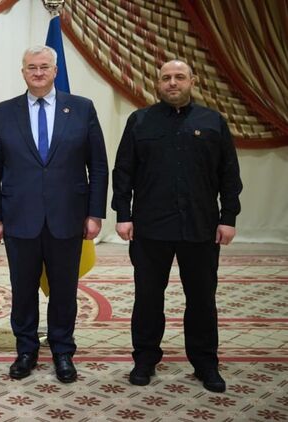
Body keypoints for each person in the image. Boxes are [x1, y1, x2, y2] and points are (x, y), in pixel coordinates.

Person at [112, 60, 242, 393]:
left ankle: (205, 363)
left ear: (192, 81)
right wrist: (123, 214)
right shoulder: (140, 121)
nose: (172, 82)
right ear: (157, 84)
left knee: (202, 299)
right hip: (150, 228)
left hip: (200, 227)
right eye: (166, 78)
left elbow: (229, 174)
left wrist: (228, 217)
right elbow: (123, 171)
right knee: (147, 298)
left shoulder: (212, 122)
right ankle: (144, 359)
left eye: (179, 77)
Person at [0, 45, 108, 383]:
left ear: (55, 71)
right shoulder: (3, 112)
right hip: (19, 217)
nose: (38, 73)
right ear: (22, 72)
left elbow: (98, 165)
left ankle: (63, 352)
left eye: (44, 67)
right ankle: (26, 350)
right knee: (22, 290)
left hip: (68, 217)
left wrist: (95, 213)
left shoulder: (81, 108)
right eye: (31, 67)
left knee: (64, 290)